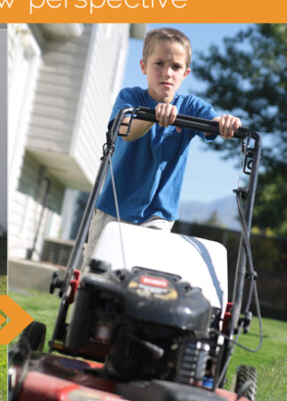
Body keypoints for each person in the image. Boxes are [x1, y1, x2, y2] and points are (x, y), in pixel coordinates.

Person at [82, 27, 241, 263]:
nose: (167, 72)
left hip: (158, 214)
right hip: (114, 206)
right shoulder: (131, 98)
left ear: (185, 73)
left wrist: (225, 121)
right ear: (144, 66)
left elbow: (212, 123)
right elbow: (127, 131)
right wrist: (153, 117)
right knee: (96, 271)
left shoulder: (191, 106)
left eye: (175, 67)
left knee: (141, 274)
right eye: (159, 63)